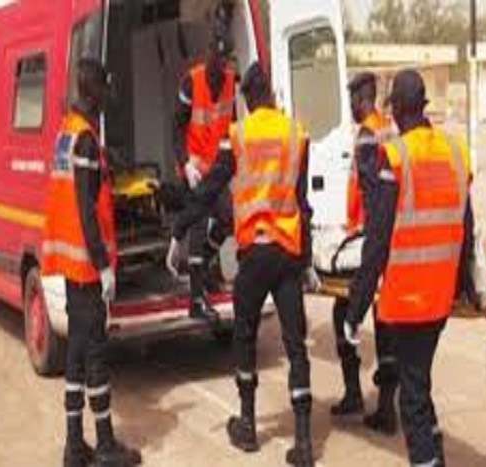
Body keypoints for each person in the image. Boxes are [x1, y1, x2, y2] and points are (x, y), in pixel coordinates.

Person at [166, 62, 320, 466]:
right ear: (271, 94)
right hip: (288, 254)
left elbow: (208, 191)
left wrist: (179, 231)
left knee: (245, 336)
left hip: (254, 255)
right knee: (295, 345)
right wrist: (307, 261)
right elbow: (302, 205)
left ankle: (248, 426)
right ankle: (304, 441)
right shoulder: (296, 133)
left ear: (248, 99)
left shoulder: (238, 135)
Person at [345, 69, 474, 467]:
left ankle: (427, 459)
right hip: (441, 296)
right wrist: (464, 286)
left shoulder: (396, 155)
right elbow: (467, 225)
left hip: (410, 299)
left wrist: (355, 307)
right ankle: (436, 454)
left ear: (399, 108)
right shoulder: (456, 150)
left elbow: (378, 240)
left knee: (412, 400)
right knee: (419, 380)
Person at [42, 58, 141, 467]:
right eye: (103, 88)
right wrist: (102, 265)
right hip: (85, 268)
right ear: (92, 90)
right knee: (95, 354)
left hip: (70, 266)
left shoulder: (66, 132)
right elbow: (86, 209)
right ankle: (104, 446)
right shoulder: (84, 139)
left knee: (77, 354)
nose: (106, 97)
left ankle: (73, 445)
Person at [330, 72, 400, 437]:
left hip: (368, 240)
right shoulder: (387, 128)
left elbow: (372, 195)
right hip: (381, 236)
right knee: (384, 323)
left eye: (352, 100)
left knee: (343, 310)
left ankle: (356, 394)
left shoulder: (369, 135)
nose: (351, 107)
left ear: (362, 98)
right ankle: (385, 406)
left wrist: (363, 239)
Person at [172, 22, 237, 322]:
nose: (220, 66)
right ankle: (196, 301)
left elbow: (230, 125)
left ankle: (202, 267)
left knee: (227, 219)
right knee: (198, 228)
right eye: (217, 58)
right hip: (195, 170)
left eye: (225, 61)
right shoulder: (192, 81)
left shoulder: (230, 82)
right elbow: (176, 127)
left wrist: (230, 161)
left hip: (217, 170)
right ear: (209, 52)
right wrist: (185, 163)